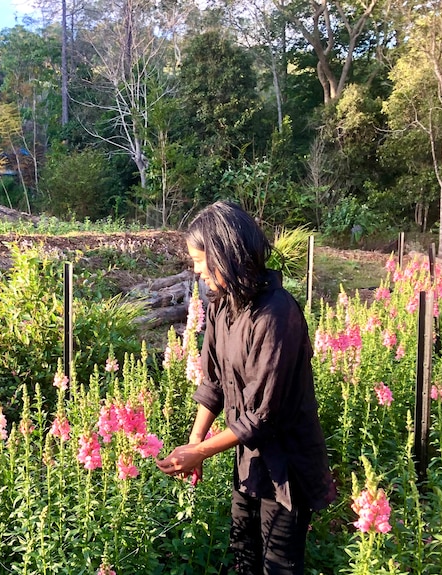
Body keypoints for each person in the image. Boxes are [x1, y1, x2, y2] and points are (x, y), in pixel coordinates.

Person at [156, 201, 336, 574]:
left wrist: (202, 452)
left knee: (278, 567)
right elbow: (214, 384)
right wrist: (194, 443)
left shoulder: (277, 314)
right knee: (245, 560)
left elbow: (263, 416)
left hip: (287, 469)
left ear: (227, 253)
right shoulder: (223, 306)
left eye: (202, 260)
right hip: (249, 463)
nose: (197, 270)